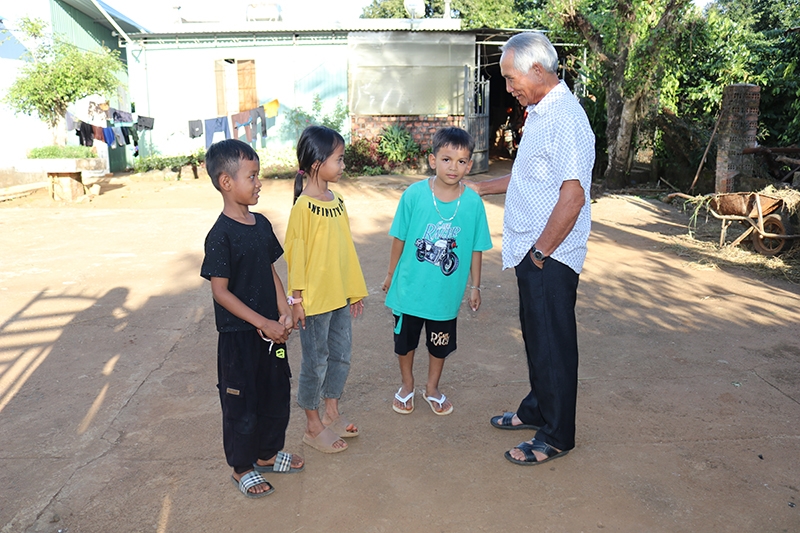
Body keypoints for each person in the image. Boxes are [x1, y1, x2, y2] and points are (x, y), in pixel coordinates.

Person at [470, 32, 595, 465]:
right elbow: (527, 177)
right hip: (533, 251)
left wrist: (540, 252)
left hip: (550, 254)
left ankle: (558, 434)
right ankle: (538, 408)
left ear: (538, 71)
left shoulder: (567, 119)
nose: (508, 87)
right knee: (537, 337)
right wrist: (477, 189)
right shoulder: (541, 113)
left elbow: (572, 196)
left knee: (553, 342)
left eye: (510, 78)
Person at [200, 139, 304, 499]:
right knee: (241, 403)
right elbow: (221, 292)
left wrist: (285, 308)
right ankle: (242, 467)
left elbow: (270, 270)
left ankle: (268, 455)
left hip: (272, 336)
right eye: (253, 176)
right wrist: (263, 322)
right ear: (226, 182)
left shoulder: (260, 224)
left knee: (275, 396)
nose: (259, 182)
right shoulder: (220, 236)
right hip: (240, 339)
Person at [381, 127, 492, 416]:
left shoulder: (473, 203)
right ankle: (407, 384)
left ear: (469, 165)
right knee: (404, 343)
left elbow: (476, 247)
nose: (453, 167)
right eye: (446, 159)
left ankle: (432, 388)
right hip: (408, 291)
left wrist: (475, 286)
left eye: (461, 161)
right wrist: (391, 275)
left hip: (445, 296)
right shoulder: (414, 195)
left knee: (439, 344)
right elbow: (400, 238)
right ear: (433, 160)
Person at [285, 125, 368, 454]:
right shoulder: (303, 209)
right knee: (315, 363)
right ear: (317, 163)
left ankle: (331, 411)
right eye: (339, 159)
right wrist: (297, 300)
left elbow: (346, 249)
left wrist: (355, 290)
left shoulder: (338, 200)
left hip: (338, 298)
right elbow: (296, 255)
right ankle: (312, 423)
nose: (343, 165)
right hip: (315, 303)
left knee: (341, 357)